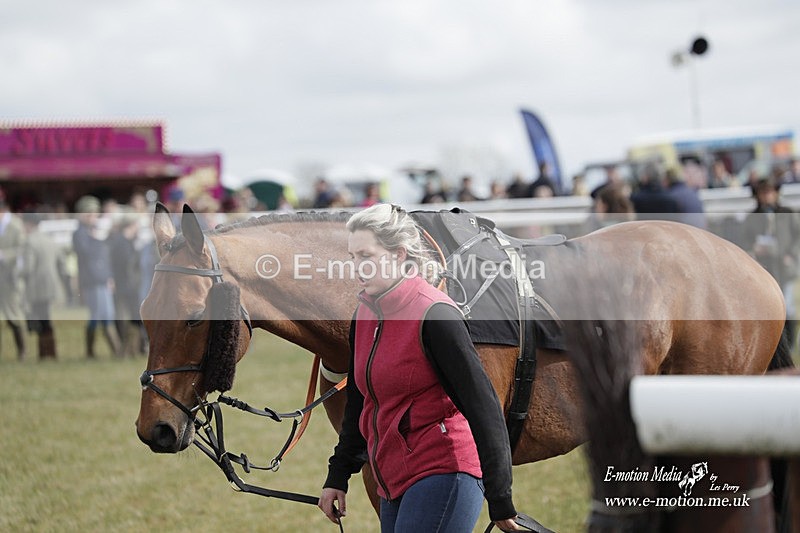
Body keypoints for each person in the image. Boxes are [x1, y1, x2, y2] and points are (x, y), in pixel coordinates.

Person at [318, 204, 520, 532]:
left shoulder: (436, 316)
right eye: (352, 257)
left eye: (366, 256)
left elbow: (483, 408)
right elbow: (360, 402)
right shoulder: (364, 314)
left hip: (444, 471)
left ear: (399, 255)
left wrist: (500, 497)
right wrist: (337, 476)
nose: (357, 267)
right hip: (393, 480)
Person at [741, 177, 800, 346]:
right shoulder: (752, 217)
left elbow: (797, 236)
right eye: (763, 192)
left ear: (776, 193)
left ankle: (791, 343)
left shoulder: (787, 212)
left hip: (784, 264)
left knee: (788, 305)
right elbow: (746, 240)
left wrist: (791, 254)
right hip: (764, 268)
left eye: (770, 192)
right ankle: (775, 343)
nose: (767, 196)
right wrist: (753, 250)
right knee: (769, 307)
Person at [72, 195, 122, 358]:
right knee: (104, 316)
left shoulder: (89, 232)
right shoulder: (81, 234)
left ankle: (92, 351)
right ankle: (116, 351)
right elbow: (91, 258)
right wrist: (105, 278)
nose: (94, 217)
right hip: (94, 282)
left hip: (99, 280)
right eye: (91, 214)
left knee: (98, 316)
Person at [21, 213, 62, 360]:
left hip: (37, 286)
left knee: (40, 319)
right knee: (46, 317)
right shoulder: (49, 240)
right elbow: (61, 263)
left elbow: (28, 268)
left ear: (29, 224)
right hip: (51, 284)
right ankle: (50, 351)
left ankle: (45, 352)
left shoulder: (29, 242)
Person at [0, 191, 27, 360]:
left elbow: (22, 250)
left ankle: (22, 352)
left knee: (13, 317)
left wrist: (4, 255)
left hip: (10, 278)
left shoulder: (16, 225)